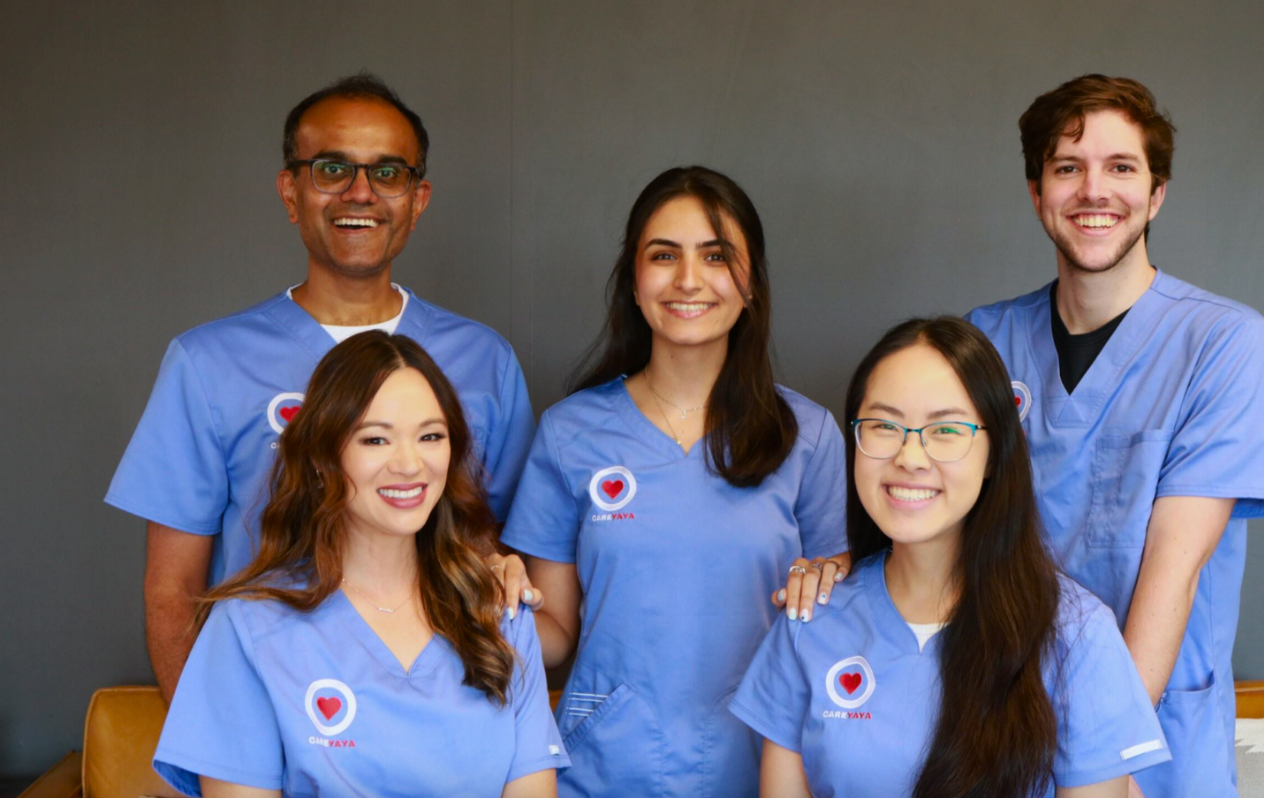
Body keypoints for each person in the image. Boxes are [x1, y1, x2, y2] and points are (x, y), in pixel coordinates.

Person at [106, 74, 537, 702]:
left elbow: (506, 560)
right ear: (291, 191)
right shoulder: (208, 363)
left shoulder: (483, 360)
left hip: (441, 713)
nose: (360, 193)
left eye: (388, 173)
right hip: (269, 715)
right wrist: (215, 744)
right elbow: (173, 592)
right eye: (332, 168)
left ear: (418, 199)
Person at [965, 74, 1264, 796]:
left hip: (1150, 742)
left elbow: (1173, 571)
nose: (1094, 190)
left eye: (1121, 168)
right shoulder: (982, 343)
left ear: (1156, 194)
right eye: (1067, 168)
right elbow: (934, 532)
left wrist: (1104, 756)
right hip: (999, 725)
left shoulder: (1224, 343)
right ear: (1036, 194)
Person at [501, 166, 849, 797]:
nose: (688, 280)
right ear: (634, 281)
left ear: (751, 285)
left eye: (716, 256)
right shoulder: (571, 433)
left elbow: (836, 614)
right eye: (664, 255)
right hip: (603, 770)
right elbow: (552, 638)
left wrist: (838, 580)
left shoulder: (809, 436)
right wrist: (485, 604)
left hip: (760, 767)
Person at [731, 316, 1170, 797]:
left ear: (995, 452)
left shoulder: (1076, 635)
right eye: (883, 425)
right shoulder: (811, 621)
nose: (910, 457)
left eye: (945, 430)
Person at [152, 331, 566, 797]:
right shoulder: (247, 628)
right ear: (322, 456)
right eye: (375, 439)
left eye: (430, 435)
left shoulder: (500, 613)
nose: (409, 464)